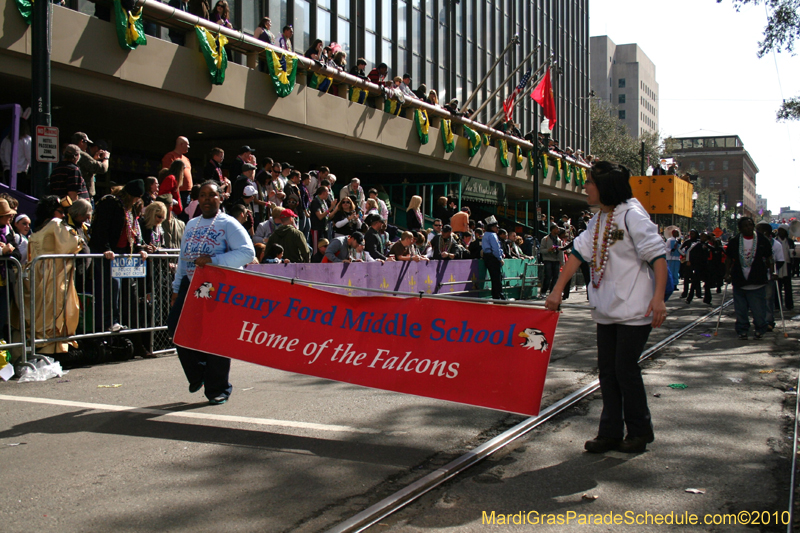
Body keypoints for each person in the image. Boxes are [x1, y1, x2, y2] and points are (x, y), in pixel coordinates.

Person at [545, 161, 667, 454]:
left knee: (624, 370)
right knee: (608, 372)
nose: (585, 187)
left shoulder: (633, 216)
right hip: (606, 309)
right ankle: (610, 433)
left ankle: (640, 431)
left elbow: (658, 258)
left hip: (635, 310)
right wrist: (556, 291)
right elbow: (576, 255)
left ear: (605, 187)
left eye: (590, 182)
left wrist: (659, 298)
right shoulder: (597, 220)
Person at [169, 181, 255, 405]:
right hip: (190, 284)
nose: (207, 199)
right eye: (203, 195)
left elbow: (247, 252)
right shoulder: (191, 224)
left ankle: (218, 389)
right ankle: (198, 373)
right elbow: (182, 259)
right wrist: (176, 288)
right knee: (176, 327)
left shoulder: (229, 223)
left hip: (218, 288)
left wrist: (214, 261)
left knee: (216, 337)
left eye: (212, 195)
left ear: (220, 198)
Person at [89, 179, 148, 334]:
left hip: (122, 255)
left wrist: (138, 248)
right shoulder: (110, 203)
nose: (137, 201)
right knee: (110, 288)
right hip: (109, 255)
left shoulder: (129, 209)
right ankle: (107, 323)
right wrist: (105, 249)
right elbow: (101, 228)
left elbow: (131, 231)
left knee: (123, 289)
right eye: (135, 197)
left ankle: (121, 321)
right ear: (130, 195)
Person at [25, 196, 83, 354]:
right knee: (54, 309)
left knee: (41, 310)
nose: (64, 215)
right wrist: (78, 239)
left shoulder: (38, 227)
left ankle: (42, 346)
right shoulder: (55, 223)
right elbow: (70, 244)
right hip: (53, 272)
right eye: (61, 211)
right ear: (52, 211)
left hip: (37, 272)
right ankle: (54, 348)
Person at [725, 217, 772, 340]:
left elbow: (769, 257)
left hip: (757, 280)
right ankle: (742, 329)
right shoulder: (735, 241)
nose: (749, 227)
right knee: (740, 309)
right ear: (740, 228)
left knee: (758, 309)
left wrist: (773, 272)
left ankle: (760, 328)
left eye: (751, 225)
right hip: (739, 280)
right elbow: (729, 258)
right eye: (745, 225)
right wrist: (727, 273)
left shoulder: (762, 240)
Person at [72, 132, 109, 200]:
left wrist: (94, 159)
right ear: (81, 142)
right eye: (86, 143)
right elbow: (102, 168)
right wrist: (106, 158)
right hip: (84, 195)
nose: (87, 146)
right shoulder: (81, 154)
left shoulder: (72, 153)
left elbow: (89, 170)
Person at [162, 136, 193, 208]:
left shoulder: (186, 159)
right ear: (181, 144)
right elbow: (166, 174)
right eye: (187, 144)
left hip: (188, 192)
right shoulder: (170, 156)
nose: (188, 147)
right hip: (177, 191)